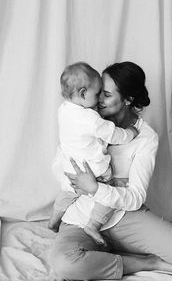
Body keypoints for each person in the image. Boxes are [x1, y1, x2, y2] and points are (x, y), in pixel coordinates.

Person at [49, 62, 172, 280]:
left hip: (123, 216)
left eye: (105, 94)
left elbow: (135, 197)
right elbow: (60, 164)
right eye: (98, 93)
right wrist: (75, 184)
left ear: (127, 99)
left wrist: (97, 189)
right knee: (64, 265)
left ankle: (115, 250)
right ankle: (144, 262)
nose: (97, 100)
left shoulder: (146, 137)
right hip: (81, 216)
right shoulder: (85, 121)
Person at [49, 62, 138, 245]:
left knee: (67, 193)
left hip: (69, 168)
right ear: (82, 94)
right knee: (111, 192)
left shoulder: (64, 109)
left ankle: (54, 219)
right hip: (93, 171)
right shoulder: (91, 120)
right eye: (97, 94)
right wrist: (130, 132)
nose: (99, 100)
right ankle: (93, 225)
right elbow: (114, 134)